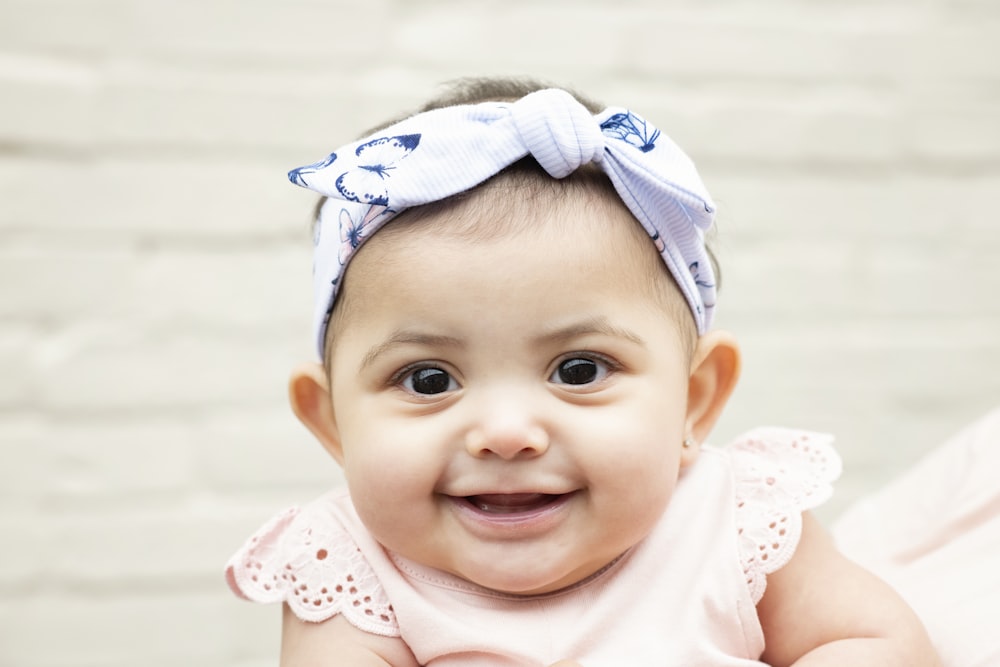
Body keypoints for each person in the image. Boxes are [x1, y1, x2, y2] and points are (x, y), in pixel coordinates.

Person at [225, 77, 941, 666]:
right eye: (429, 380)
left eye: (578, 368)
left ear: (695, 398)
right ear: (332, 421)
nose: (506, 434)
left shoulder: (734, 516)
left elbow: (884, 643)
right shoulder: (352, 567)